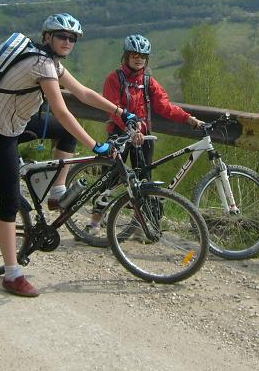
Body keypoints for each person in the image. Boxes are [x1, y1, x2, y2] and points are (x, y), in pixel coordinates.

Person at [0, 13, 132, 297]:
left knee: (65, 133)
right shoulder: (41, 64)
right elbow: (62, 111)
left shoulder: (52, 62)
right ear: (47, 37)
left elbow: (83, 93)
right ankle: (12, 275)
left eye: (73, 38)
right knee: (10, 202)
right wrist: (95, 145)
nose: (68, 42)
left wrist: (120, 112)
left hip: (20, 122)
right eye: (62, 36)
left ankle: (56, 192)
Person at [85, 34, 203, 234]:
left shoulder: (148, 81)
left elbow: (165, 106)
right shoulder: (114, 78)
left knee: (144, 182)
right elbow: (113, 109)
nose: (138, 58)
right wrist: (130, 130)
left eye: (142, 56)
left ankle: (139, 224)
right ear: (126, 56)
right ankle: (96, 221)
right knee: (110, 178)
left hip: (143, 138)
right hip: (119, 135)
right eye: (134, 54)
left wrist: (188, 118)